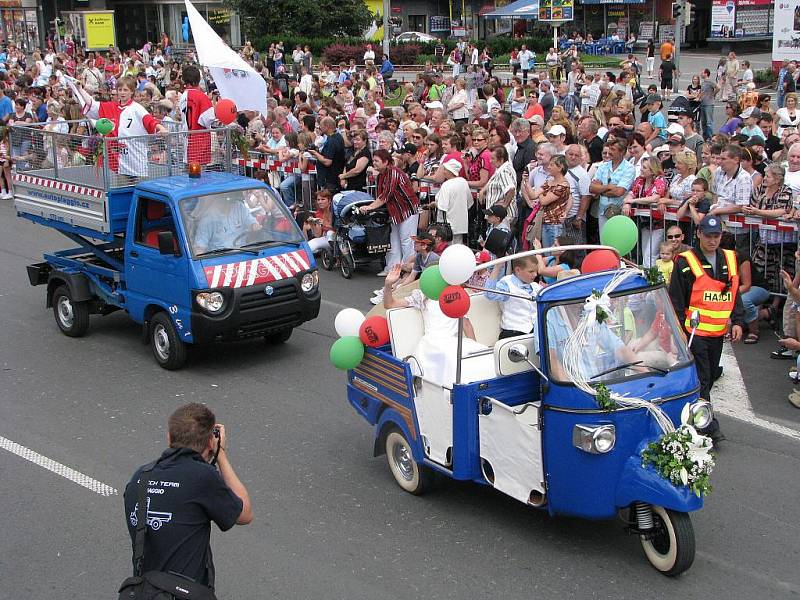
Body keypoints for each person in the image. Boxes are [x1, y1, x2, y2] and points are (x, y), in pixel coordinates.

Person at [123, 403, 252, 589]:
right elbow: (244, 514)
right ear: (210, 442)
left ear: (169, 438)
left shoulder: (140, 477)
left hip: (145, 591)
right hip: (185, 592)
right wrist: (220, 454)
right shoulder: (202, 477)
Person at [668, 215, 744, 442]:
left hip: (717, 333)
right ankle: (708, 426)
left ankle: (690, 413)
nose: (712, 240)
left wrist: (738, 321)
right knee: (702, 377)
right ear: (698, 234)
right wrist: (680, 331)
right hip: (694, 332)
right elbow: (676, 300)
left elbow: (734, 292)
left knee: (709, 377)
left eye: (716, 236)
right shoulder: (685, 261)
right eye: (708, 236)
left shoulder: (730, 259)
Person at [382, 264, 484, 387]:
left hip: (452, 341)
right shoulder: (423, 296)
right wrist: (388, 285)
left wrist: (474, 347)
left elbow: (466, 325)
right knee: (451, 358)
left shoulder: (455, 294)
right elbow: (390, 304)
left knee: (480, 351)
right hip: (432, 342)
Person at [360, 149, 419, 276]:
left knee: (407, 241)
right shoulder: (381, 175)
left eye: (377, 161)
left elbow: (385, 195)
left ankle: (407, 270)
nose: (374, 163)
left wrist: (370, 207)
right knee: (393, 241)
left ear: (386, 162)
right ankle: (392, 269)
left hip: (407, 210)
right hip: (394, 212)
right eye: (373, 160)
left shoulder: (394, 173)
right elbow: (381, 195)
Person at [622, 157, 668, 267]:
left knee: (651, 254)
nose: (641, 169)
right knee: (645, 253)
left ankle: (652, 280)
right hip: (645, 223)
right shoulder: (639, 180)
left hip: (658, 223)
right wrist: (627, 203)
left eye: (644, 167)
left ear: (652, 170)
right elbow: (631, 193)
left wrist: (632, 201)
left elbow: (655, 198)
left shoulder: (660, 180)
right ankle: (647, 276)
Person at [484, 256, 542, 341]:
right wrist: (497, 267)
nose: (535, 274)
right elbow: (489, 294)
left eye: (536, 271)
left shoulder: (535, 286)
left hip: (535, 333)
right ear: (518, 270)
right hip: (513, 333)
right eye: (531, 271)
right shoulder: (507, 284)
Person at [590, 138, 636, 231]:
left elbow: (619, 192)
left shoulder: (629, 168)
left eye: (613, 149)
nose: (609, 152)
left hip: (619, 212)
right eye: (609, 148)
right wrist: (608, 187)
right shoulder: (603, 166)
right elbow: (592, 188)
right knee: (604, 243)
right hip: (603, 212)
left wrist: (601, 191)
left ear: (622, 152)